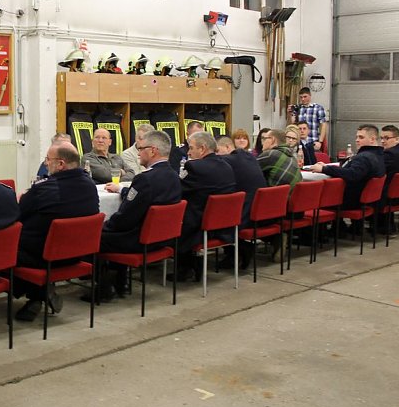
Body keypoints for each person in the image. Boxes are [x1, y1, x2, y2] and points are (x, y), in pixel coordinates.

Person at [15, 141, 99, 321]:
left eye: (48, 159)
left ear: (61, 164)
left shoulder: (46, 188)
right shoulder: (90, 186)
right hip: (77, 254)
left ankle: (38, 293)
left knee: (2, 250)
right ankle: (40, 293)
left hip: (44, 257)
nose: (45, 163)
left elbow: (19, 213)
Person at [95, 130, 181, 300]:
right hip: (162, 239)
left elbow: (126, 217)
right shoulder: (173, 176)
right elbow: (143, 198)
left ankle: (105, 288)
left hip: (138, 240)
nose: (138, 152)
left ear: (152, 150)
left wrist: (105, 226)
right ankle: (121, 283)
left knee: (96, 235)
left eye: (141, 148)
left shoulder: (145, 179)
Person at [174, 132, 236, 281]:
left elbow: (177, 190)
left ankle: (185, 267)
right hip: (224, 225)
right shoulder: (227, 165)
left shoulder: (194, 167)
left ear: (202, 149)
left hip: (198, 226)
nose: (188, 152)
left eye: (191, 148)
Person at [216, 136, 267, 270]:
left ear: (227, 147)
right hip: (259, 210)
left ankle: (238, 251)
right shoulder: (248, 156)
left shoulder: (227, 159)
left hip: (245, 212)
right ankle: (236, 252)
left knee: (214, 219)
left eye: (217, 150)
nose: (216, 154)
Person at [309, 125, 385, 209]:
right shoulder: (379, 155)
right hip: (368, 200)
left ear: (372, 139)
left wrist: (324, 169)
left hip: (351, 200)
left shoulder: (364, 157)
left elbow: (352, 174)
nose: (357, 140)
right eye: (356, 137)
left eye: (361, 137)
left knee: (313, 197)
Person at [294, 87, 328, 152]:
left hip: (313, 141)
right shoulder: (298, 108)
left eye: (305, 97)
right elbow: (293, 125)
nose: (303, 99)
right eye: (301, 97)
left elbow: (323, 125)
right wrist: (290, 114)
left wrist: (320, 142)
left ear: (310, 96)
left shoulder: (318, 108)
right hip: (299, 143)